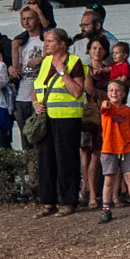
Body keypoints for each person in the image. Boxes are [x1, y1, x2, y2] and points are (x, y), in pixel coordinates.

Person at [32, 28, 89, 215]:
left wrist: (63, 72)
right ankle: (48, 202)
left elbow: (77, 91)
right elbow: (37, 88)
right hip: (45, 117)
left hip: (67, 118)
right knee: (46, 160)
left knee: (66, 160)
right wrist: (35, 104)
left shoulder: (74, 62)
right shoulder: (45, 62)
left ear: (62, 44)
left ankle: (68, 202)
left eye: (50, 41)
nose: (46, 45)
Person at [97, 76, 130, 221]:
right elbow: (105, 107)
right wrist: (106, 102)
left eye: (117, 90)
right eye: (111, 90)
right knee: (109, 179)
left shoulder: (127, 110)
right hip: (110, 148)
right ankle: (106, 209)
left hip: (127, 148)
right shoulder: (107, 106)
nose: (114, 93)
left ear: (123, 93)